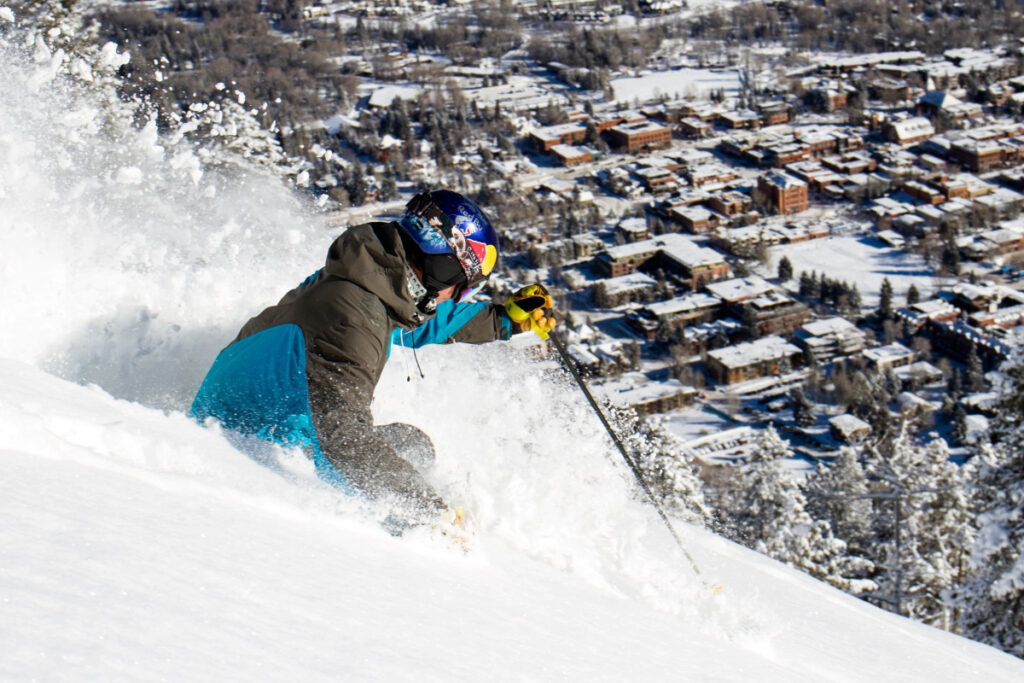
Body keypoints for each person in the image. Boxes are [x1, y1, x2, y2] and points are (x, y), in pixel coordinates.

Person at [190, 189, 557, 527]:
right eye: (462, 287)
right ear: (441, 268)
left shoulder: (365, 276)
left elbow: (419, 322)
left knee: (412, 445)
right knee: (399, 460)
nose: (455, 297)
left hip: (262, 415)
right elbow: (346, 443)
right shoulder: (352, 323)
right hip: (244, 444)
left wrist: (504, 320)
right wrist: (434, 513)